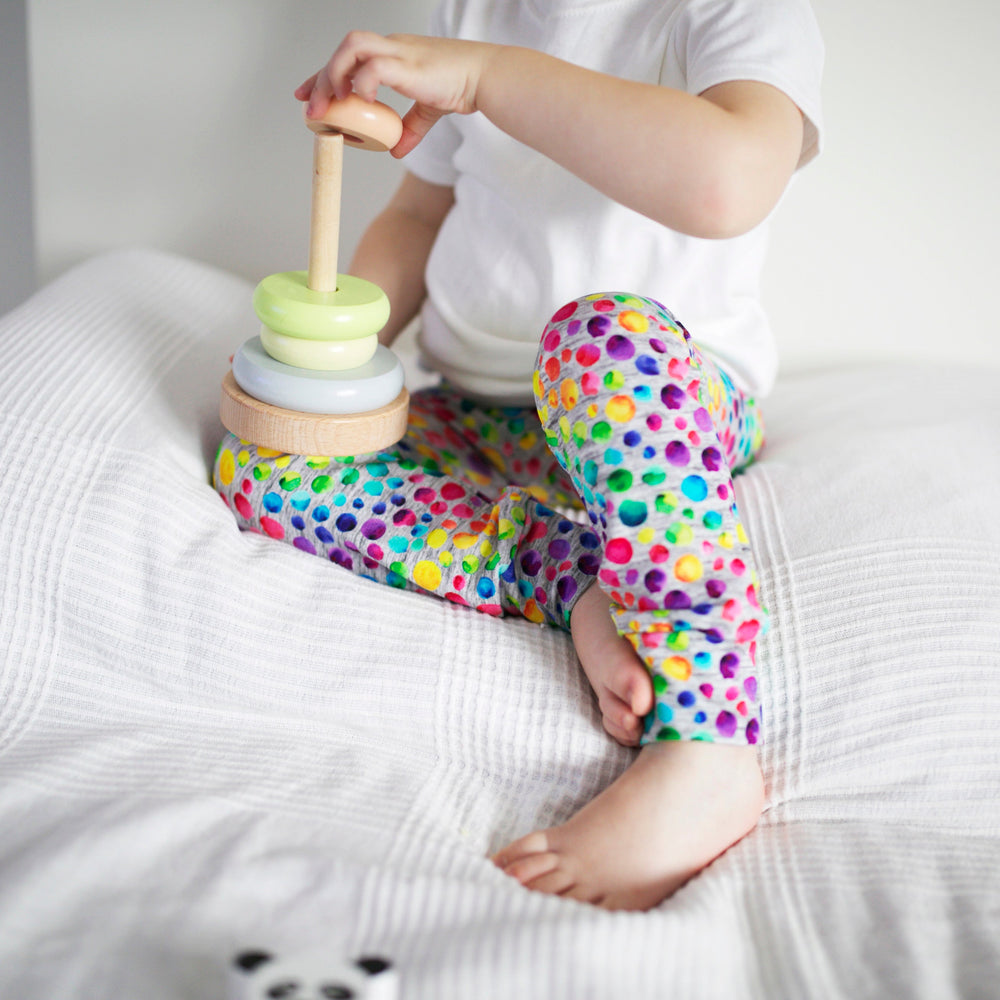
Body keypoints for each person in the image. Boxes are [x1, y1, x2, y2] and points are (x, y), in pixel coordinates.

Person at [214, 0, 823, 911]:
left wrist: (487, 76)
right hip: (478, 411)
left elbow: (727, 183)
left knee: (598, 339)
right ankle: (574, 580)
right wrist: (332, 359)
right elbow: (421, 213)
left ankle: (705, 742)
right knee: (264, 465)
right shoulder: (474, 7)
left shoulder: (735, 11)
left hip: (653, 408)